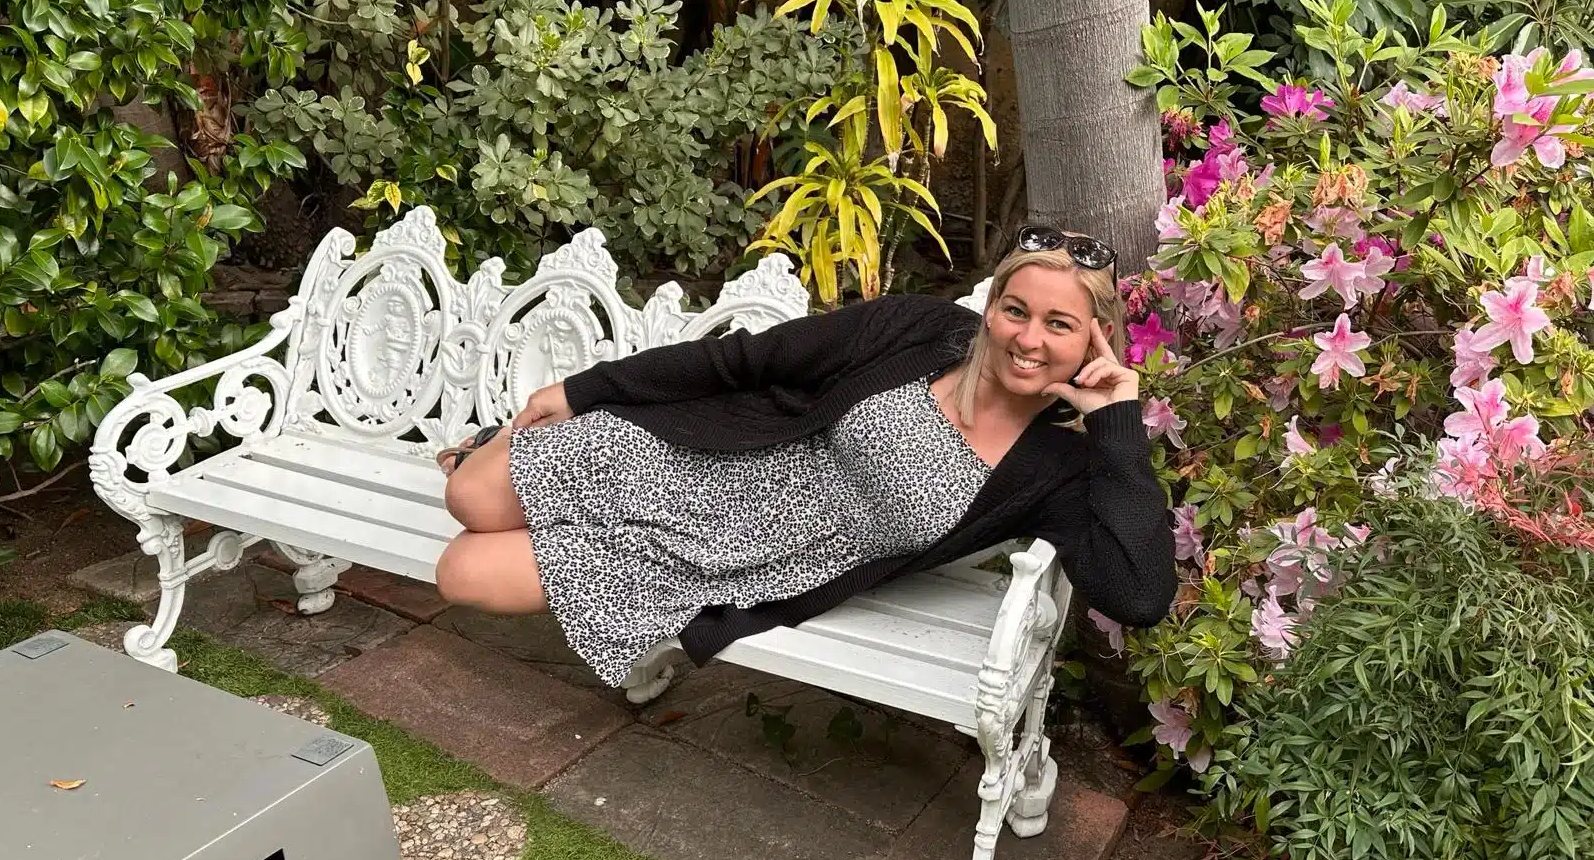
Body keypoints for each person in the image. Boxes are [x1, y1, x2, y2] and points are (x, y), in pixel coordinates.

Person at [432, 227, 1177, 688]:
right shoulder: (924, 330)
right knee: (468, 497)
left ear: (1094, 341)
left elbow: (1138, 597)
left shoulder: (1052, 468)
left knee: (460, 572)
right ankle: (498, 458)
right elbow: (752, 361)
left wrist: (1116, 422)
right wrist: (588, 389)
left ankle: (570, 523)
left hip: (726, 561)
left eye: (1060, 324)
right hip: (690, 458)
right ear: (992, 311)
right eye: (1016, 311)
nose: (1029, 339)